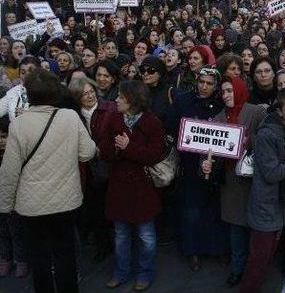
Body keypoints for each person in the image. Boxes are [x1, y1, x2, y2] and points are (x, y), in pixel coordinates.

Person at [0, 68, 96, 293]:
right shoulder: (70, 116)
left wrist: (5, 206)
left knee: (40, 259)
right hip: (66, 201)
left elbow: (9, 171)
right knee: (65, 256)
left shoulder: (19, 124)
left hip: (31, 206)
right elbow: (88, 153)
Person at [98, 80, 165, 291]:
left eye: (121, 97)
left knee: (146, 236)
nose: (116, 100)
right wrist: (117, 149)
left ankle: (145, 273)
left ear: (133, 101)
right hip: (119, 186)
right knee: (121, 234)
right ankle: (121, 272)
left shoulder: (153, 122)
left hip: (143, 188)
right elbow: (105, 150)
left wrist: (128, 147)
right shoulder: (114, 118)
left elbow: (154, 155)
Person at [238, 87, 285, 293]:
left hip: (279, 208)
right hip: (266, 208)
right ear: (280, 111)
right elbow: (272, 173)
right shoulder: (268, 134)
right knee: (258, 261)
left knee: (265, 258)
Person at [202, 76, 267, 287]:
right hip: (231, 184)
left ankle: (256, 270)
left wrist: (249, 141)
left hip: (255, 182)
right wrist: (205, 164)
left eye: (230, 90)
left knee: (256, 231)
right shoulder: (218, 118)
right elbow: (209, 151)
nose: (226, 95)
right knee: (236, 232)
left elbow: (268, 141)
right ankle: (238, 270)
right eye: (223, 92)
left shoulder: (256, 112)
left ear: (239, 90)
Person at [165, 65, 228, 272]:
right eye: (201, 82)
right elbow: (172, 126)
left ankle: (215, 248)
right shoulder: (183, 100)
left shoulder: (221, 104)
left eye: (209, 84)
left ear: (216, 86)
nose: (204, 87)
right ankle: (192, 251)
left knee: (213, 209)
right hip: (190, 165)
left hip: (215, 166)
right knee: (191, 210)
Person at [68, 77, 117, 263]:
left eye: (91, 92)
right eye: (84, 94)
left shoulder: (110, 108)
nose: (89, 96)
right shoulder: (73, 115)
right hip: (86, 170)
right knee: (95, 211)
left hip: (108, 167)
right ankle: (103, 246)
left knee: (113, 208)